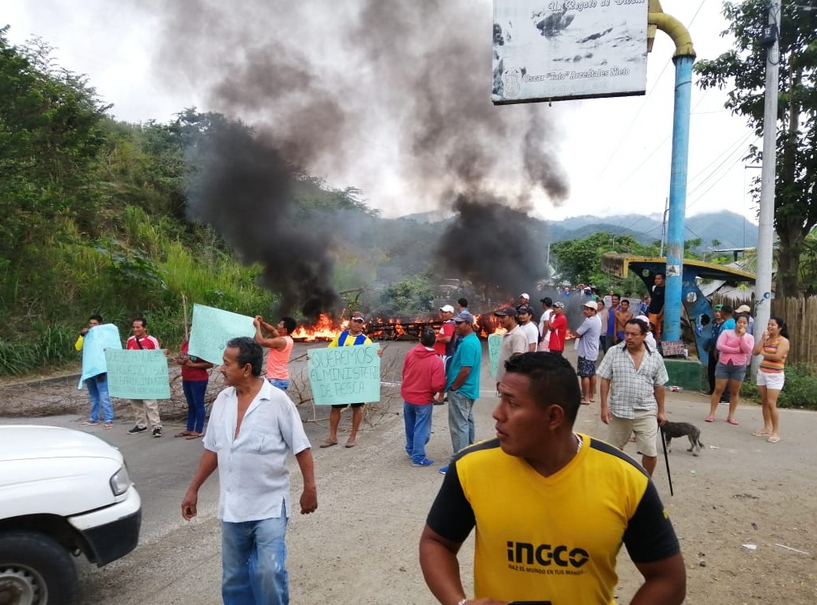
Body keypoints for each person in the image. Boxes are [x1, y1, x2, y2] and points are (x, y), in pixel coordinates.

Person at [419, 353, 686, 605]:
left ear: (553, 416)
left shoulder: (627, 478)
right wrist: (459, 602)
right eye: (501, 398)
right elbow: (436, 542)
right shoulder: (470, 467)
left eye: (512, 403)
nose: (497, 413)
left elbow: (668, 578)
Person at [181, 337, 317, 605]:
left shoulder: (277, 402)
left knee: (269, 571)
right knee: (234, 578)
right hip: (232, 508)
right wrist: (193, 489)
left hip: (269, 507)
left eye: (227, 363)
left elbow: (301, 448)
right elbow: (212, 450)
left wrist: (309, 488)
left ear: (246, 369)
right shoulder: (222, 400)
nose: (221, 368)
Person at [598, 318, 669, 477]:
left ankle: (645, 483)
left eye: (634, 334)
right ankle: (613, 482)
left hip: (646, 410)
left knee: (650, 452)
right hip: (619, 410)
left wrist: (661, 411)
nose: (629, 337)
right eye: (626, 333)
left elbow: (659, 386)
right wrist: (603, 406)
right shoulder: (614, 352)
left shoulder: (655, 356)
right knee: (613, 452)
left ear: (644, 336)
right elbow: (605, 380)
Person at [321, 311, 379, 448]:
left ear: (363, 324)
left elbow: (372, 360)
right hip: (340, 380)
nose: (357, 324)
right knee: (335, 407)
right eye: (355, 321)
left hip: (357, 381)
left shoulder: (366, 341)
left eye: (360, 322)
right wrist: (315, 359)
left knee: (356, 407)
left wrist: (378, 354)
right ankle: (332, 437)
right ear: (350, 321)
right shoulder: (340, 336)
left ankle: (352, 437)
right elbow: (329, 353)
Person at [439, 311, 482, 475]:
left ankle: (458, 463)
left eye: (459, 323)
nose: (456, 326)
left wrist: (455, 387)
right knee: (467, 422)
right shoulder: (471, 340)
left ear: (469, 324)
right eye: (455, 323)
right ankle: (468, 456)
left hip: (462, 390)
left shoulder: (467, 344)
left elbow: (465, 370)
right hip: (468, 389)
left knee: (459, 426)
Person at [401, 328, 447, 467]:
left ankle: (411, 449)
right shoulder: (436, 360)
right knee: (422, 428)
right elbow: (437, 384)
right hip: (423, 399)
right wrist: (437, 392)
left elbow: (404, 373)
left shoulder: (410, 354)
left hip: (408, 396)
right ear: (434, 342)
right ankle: (418, 457)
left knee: (410, 425)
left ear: (420, 340)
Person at [706, 314, 753, 425]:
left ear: (747, 325)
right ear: (735, 323)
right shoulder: (726, 333)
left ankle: (731, 415)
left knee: (734, 391)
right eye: (739, 322)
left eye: (744, 323)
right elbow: (720, 346)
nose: (741, 324)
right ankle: (712, 413)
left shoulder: (749, 337)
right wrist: (736, 350)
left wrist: (741, 337)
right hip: (724, 363)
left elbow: (747, 349)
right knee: (718, 389)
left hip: (739, 366)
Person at [751, 317, 790, 443]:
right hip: (763, 372)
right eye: (768, 324)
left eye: (772, 325)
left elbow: (777, 357)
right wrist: (762, 340)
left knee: (771, 403)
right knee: (764, 402)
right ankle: (766, 427)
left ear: (779, 327)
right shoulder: (766, 340)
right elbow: (755, 352)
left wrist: (763, 352)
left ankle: (775, 432)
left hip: (775, 375)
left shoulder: (783, 341)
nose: (769, 327)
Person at [126, 317, 164, 437]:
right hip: (134, 376)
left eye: (138, 327)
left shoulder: (152, 340)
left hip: (148, 376)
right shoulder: (130, 340)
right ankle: (141, 425)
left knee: (150, 402)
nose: (135, 329)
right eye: (134, 327)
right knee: (136, 402)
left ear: (144, 328)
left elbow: (158, 357)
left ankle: (156, 426)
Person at [75, 314, 114, 429]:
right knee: (93, 396)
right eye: (90, 323)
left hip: (100, 370)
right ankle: (93, 418)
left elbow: (106, 352)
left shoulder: (104, 337)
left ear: (100, 324)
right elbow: (78, 347)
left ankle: (108, 419)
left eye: (95, 324)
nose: (92, 326)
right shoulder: (87, 335)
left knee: (104, 394)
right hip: (89, 369)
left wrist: (103, 369)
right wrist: (82, 335)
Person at [174, 339, 214, 439]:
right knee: (190, 404)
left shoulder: (203, 346)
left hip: (198, 379)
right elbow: (178, 358)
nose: (190, 333)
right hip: (186, 378)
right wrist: (182, 361)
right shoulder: (186, 344)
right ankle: (189, 428)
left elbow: (210, 364)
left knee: (198, 404)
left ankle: (198, 430)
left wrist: (194, 365)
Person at [254, 315, 297, 391]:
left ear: (285, 329)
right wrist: (262, 323)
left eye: (280, 324)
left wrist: (257, 326)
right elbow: (272, 330)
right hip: (279, 379)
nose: (278, 325)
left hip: (276, 380)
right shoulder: (287, 339)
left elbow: (261, 341)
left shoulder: (281, 341)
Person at [494, 307, 527, 393]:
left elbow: (517, 361)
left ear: (512, 318)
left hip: (511, 385)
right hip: (505, 383)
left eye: (503, 317)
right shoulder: (507, 334)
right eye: (499, 317)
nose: (500, 320)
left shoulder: (517, 335)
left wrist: (508, 383)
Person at [576, 300, 602, 404]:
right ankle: (591, 396)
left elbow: (578, 333)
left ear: (593, 311)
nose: (585, 311)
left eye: (587, 309)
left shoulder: (589, 321)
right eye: (585, 308)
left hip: (586, 352)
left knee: (584, 375)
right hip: (593, 351)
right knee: (592, 374)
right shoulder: (597, 319)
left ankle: (586, 398)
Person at [433, 305, 456, 371]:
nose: (443, 314)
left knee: (443, 373)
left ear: (451, 313)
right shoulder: (447, 323)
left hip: (445, 354)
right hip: (443, 353)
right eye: (442, 312)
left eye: (445, 312)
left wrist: (437, 339)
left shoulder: (449, 325)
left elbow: (447, 339)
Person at [648, 272, 665, 341]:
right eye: (656, 279)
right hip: (651, 311)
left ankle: (656, 345)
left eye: (659, 279)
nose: (656, 280)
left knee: (655, 330)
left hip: (657, 313)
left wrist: (660, 313)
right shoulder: (656, 288)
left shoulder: (665, 289)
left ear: (663, 280)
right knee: (653, 330)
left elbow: (665, 303)